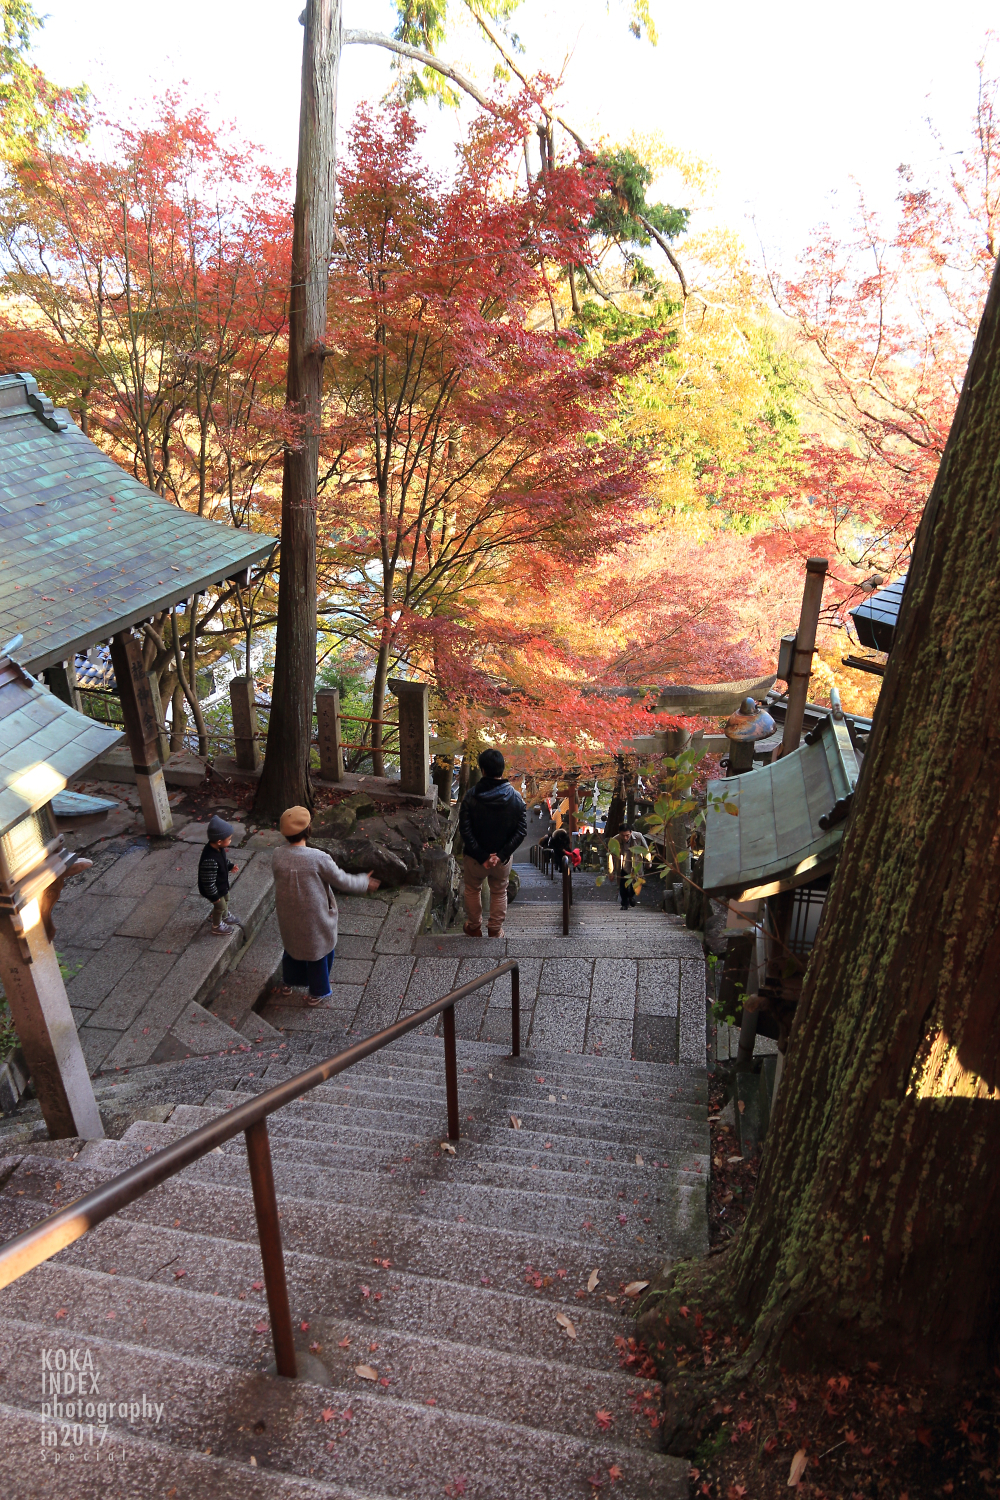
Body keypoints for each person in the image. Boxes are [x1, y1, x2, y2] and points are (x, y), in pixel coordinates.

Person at [272, 806, 381, 1006]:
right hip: (315, 915)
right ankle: (318, 992)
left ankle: (290, 981)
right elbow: (342, 880)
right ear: (308, 830)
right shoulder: (318, 858)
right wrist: (364, 882)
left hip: (288, 912)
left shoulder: (278, 854)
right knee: (318, 952)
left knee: (292, 947)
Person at [459, 748, 527, 938]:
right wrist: (501, 855)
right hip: (501, 859)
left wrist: (482, 856)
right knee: (499, 891)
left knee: (472, 890)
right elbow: (521, 831)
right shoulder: (515, 798)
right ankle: (495, 929)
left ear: (482, 769)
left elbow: (465, 830)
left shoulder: (470, 797)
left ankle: (473, 927)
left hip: (474, 858)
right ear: (502, 769)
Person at [198, 814, 240, 936]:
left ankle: (225, 916)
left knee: (226, 898)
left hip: (221, 885)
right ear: (219, 841)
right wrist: (214, 897)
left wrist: (230, 866)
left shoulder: (219, 849)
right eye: (229, 839)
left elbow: (223, 861)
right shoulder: (210, 859)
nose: (231, 840)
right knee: (219, 906)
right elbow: (208, 882)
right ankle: (217, 925)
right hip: (213, 889)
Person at [609, 827, 647, 911]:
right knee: (623, 886)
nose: (625, 838)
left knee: (636, 883)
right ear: (619, 833)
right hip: (622, 865)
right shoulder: (615, 840)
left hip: (635, 864)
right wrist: (611, 871)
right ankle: (624, 904)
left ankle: (630, 896)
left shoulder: (638, 836)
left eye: (627, 835)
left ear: (631, 832)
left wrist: (649, 862)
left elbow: (646, 849)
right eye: (623, 835)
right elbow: (610, 855)